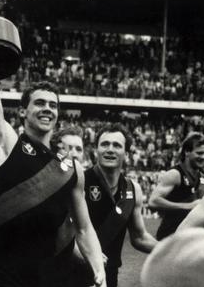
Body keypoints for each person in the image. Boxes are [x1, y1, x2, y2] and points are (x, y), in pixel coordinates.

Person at [0, 80, 105, 287]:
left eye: (53, 105)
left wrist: (99, 271)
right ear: (23, 111)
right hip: (4, 280)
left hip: (49, 280)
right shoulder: (8, 147)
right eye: (40, 103)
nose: (47, 109)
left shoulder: (71, 170)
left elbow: (84, 228)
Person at [82, 123, 157, 287]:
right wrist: (88, 253)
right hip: (74, 271)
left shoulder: (133, 189)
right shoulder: (80, 181)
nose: (110, 149)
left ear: (127, 154)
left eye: (117, 145)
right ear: (96, 150)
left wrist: (168, 249)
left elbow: (139, 237)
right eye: (104, 144)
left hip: (110, 274)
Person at [148, 132, 204, 239]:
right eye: (199, 153)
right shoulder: (175, 174)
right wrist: (188, 206)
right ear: (187, 152)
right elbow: (153, 202)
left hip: (190, 239)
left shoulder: (203, 178)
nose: (203, 157)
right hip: (169, 238)